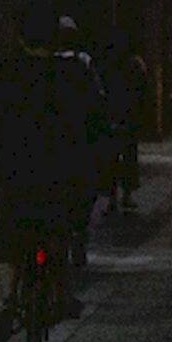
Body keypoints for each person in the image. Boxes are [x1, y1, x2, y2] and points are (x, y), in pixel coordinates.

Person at [0, 9, 105, 342]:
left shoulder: (8, 72)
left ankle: (8, 302)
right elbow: (96, 122)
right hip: (63, 172)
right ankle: (63, 294)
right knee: (62, 229)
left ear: (20, 38)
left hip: (17, 171)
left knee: (7, 238)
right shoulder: (74, 74)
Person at [55, 15, 108, 265]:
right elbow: (97, 101)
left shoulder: (44, 66)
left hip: (52, 142)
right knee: (82, 192)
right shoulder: (83, 64)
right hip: (78, 140)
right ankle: (77, 236)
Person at [98, 36, 148, 210]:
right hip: (128, 115)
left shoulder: (107, 65)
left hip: (113, 115)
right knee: (127, 156)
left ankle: (113, 197)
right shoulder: (134, 64)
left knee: (111, 158)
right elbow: (141, 91)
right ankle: (125, 196)